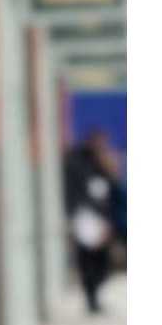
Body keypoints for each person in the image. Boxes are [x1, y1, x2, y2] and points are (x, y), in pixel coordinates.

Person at [63, 130, 117, 314]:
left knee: (102, 260)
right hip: (85, 218)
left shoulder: (102, 163)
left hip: (102, 217)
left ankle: (96, 294)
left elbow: (112, 188)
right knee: (87, 259)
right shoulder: (76, 162)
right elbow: (74, 192)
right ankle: (91, 298)